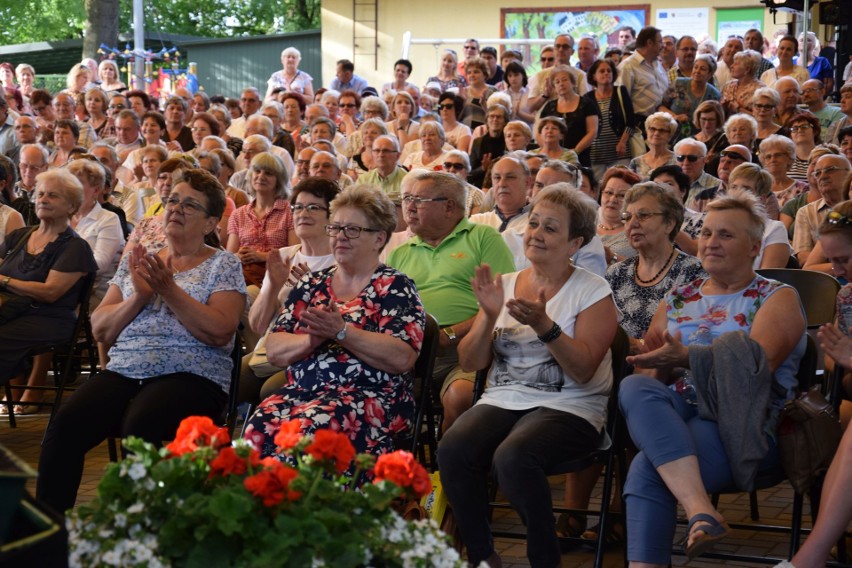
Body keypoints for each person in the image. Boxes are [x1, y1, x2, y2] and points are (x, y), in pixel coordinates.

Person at [37, 168, 246, 514]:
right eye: (172, 201)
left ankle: (141, 527)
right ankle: (44, 533)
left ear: (211, 223)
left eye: (190, 205)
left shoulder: (223, 264)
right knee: (66, 423)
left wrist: (169, 290)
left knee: (141, 422)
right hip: (126, 369)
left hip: (192, 375)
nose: (176, 209)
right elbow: (101, 328)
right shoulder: (139, 260)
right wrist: (138, 298)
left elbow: (220, 330)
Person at [619, 189, 806, 567]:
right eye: (706, 233)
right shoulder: (679, 296)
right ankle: (701, 510)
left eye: (725, 235)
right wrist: (655, 361)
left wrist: (686, 356)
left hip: (739, 421)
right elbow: (652, 374)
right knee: (633, 385)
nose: (711, 242)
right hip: (677, 414)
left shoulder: (776, 297)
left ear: (755, 247)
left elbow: (754, 370)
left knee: (646, 469)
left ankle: (692, 516)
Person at [440, 185, 617, 568]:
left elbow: (584, 369)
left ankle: (544, 558)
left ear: (575, 243)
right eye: (533, 223)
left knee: (514, 456)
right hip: (504, 399)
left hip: (572, 405)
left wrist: (544, 325)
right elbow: (470, 363)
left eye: (551, 228)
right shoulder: (504, 284)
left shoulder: (592, 289)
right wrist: (487, 316)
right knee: (453, 449)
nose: (535, 232)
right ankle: (483, 556)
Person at [242, 184, 424, 458]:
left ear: (379, 238)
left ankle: (306, 499)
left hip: (368, 399)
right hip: (302, 392)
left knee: (312, 430)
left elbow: (402, 358)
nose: (341, 237)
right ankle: (264, 499)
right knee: (257, 428)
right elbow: (276, 350)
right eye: (336, 228)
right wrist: (312, 339)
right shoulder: (312, 283)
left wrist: (342, 332)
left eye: (352, 230)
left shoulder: (394, 287)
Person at [387, 170, 515, 433]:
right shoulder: (399, 252)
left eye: (418, 199)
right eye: (407, 198)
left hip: (466, 348)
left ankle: (446, 469)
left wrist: (451, 334)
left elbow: (502, 299)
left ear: (449, 206)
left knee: (461, 396)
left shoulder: (482, 238)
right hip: (410, 350)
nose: (408, 206)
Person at [772, 202, 852, 568]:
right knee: (841, 418)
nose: (836, 270)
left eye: (845, 260)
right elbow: (837, 358)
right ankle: (821, 550)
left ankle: (812, 555)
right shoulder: (847, 296)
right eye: (832, 260)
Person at [0, 169, 97, 414]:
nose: (43, 199)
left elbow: (50, 292)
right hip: (10, 310)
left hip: (48, 318)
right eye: (40, 193)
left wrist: (5, 279)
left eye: (53, 195)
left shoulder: (75, 247)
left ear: (72, 206)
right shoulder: (19, 237)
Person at [240, 178, 338, 405]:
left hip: (317, 354)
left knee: (270, 391)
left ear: (332, 215)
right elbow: (257, 325)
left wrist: (308, 291)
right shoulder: (283, 256)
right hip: (272, 352)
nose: (303, 213)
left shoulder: (342, 259)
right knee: (228, 381)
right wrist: (273, 286)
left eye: (313, 207)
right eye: (298, 207)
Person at [607, 181, 705, 351]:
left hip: (668, 369)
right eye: (627, 217)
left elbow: (697, 336)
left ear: (669, 224)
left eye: (643, 215)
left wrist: (640, 346)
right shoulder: (616, 272)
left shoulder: (694, 272)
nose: (632, 224)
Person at [226, 152, 295, 288]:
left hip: (278, 279)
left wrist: (261, 256)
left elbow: (295, 252)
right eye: (257, 171)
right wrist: (240, 256)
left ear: (279, 180)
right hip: (242, 278)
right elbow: (230, 257)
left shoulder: (290, 212)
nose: (261, 176)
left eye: (268, 173)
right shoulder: (238, 214)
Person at [793, 154, 852, 265]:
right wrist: (843, 265)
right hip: (826, 279)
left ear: (849, 172)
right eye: (818, 173)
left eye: (830, 170)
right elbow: (804, 260)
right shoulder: (806, 212)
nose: (823, 176)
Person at [584, 59, 635, 181]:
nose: (606, 73)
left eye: (609, 71)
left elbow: (631, 121)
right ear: (594, 76)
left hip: (620, 151)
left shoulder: (621, 91)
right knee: (597, 188)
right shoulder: (587, 97)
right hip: (596, 152)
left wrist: (623, 142)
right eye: (602, 71)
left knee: (622, 183)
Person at [539, 65, 599, 167]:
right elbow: (539, 132)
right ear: (554, 88)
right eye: (557, 82)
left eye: (564, 80)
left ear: (573, 83)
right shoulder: (549, 107)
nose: (561, 84)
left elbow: (592, 132)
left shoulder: (587, 104)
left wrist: (574, 152)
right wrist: (547, 150)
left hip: (580, 156)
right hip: (552, 158)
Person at [616, 26, 669, 133]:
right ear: (649, 43)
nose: (663, 46)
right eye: (660, 42)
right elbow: (620, 102)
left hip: (662, 123)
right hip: (639, 127)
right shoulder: (627, 66)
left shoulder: (658, 64)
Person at [660, 55, 720, 143]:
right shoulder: (678, 83)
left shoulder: (714, 95)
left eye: (702, 69)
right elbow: (661, 106)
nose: (697, 71)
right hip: (671, 134)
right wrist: (675, 116)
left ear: (710, 74)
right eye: (695, 67)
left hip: (698, 140)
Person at [597, 167, 642, 264]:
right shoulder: (587, 225)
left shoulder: (637, 232)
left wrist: (613, 257)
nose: (613, 199)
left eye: (622, 195)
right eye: (609, 192)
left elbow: (646, 269)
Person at [760, 135, 809, 207]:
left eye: (778, 155)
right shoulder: (759, 188)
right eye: (768, 157)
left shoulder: (802, 189)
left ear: (789, 158)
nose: (772, 160)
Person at [628, 112, 677, 178]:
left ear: (670, 135)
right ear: (647, 131)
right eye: (652, 129)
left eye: (662, 130)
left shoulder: (678, 161)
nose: (656, 133)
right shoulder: (636, 162)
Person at [720, 50, 765, 117]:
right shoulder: (728, 85)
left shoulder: (761, 89)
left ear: (747, 69)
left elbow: (761, 116)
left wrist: (739, 109)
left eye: (736, 64)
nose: (731, 66)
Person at [462, 57, 497, 131]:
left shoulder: (493, 91)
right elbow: (458, 117)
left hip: (487, 130)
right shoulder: (463, 91)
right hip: (467, 131)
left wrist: (484, 105)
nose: (472, 75)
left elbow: (497, 115)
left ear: (484, 74)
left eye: (476, 72)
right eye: (469, 72)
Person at [786, 111, 821, 181]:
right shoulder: (786, 159)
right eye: (795, 129)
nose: (799, 130)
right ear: (790, 135)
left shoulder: (824, 155)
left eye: (804, 127)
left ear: (815, 131)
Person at [692, 101, 726, 165]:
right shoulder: (691, 141)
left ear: (718, 120)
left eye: (711, 120)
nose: (707, 124)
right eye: (703, 119)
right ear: (698, 119)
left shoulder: (725, 139)